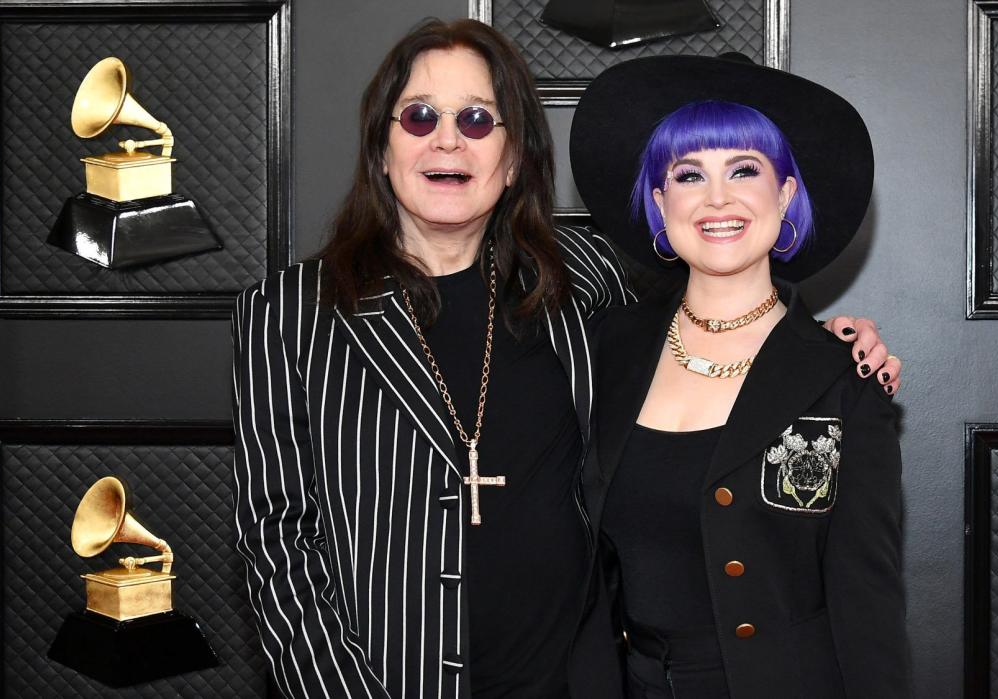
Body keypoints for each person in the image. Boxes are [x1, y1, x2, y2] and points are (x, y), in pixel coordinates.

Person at [230, 19, 899, 699]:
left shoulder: (577, 281)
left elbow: (721, 273)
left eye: (478, 119)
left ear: (514, 156)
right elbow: (277, 536)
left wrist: (827, 343)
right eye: (420, 115)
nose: (448, 138)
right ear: (381, 147)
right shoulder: (290, 312)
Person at [572, 55, 910, 698]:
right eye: (689, 174)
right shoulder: (600, 351)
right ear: (658, 201)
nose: (717, 198)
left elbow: (869, 605)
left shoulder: (845, 378)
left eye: (745, 170)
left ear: (785, 195)